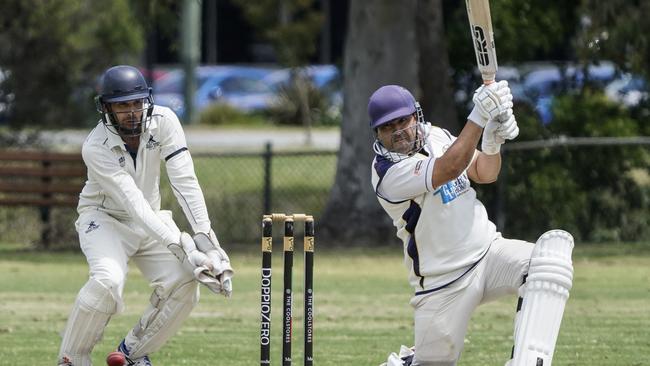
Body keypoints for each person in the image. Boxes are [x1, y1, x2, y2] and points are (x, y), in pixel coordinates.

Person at [369, 83, 574, 366]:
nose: (398, 131)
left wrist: (492, 143)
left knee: (548, 261)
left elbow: (484, 171)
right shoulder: (386, 173)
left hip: (489, 254)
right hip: (443, 282)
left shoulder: (437, 135)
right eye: (388, 127)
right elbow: (449, 168)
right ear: (378, 133)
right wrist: (479, 115)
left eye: (403, 121)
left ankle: (528, 361)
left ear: (416, 115)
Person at [57, 65, 234, 366]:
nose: (132, 112)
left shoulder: (165, 121)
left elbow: (184, 181)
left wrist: (207, 242)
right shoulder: (95, 146)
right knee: (107, 281)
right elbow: (132, 202)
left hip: (151, 219)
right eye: (122, 105)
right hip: (104, 220)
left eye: (137, 103)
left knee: (185, 281)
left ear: (146, 101)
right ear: (107, 108)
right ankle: (72, 358)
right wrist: (181, 246)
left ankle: (132, 354)